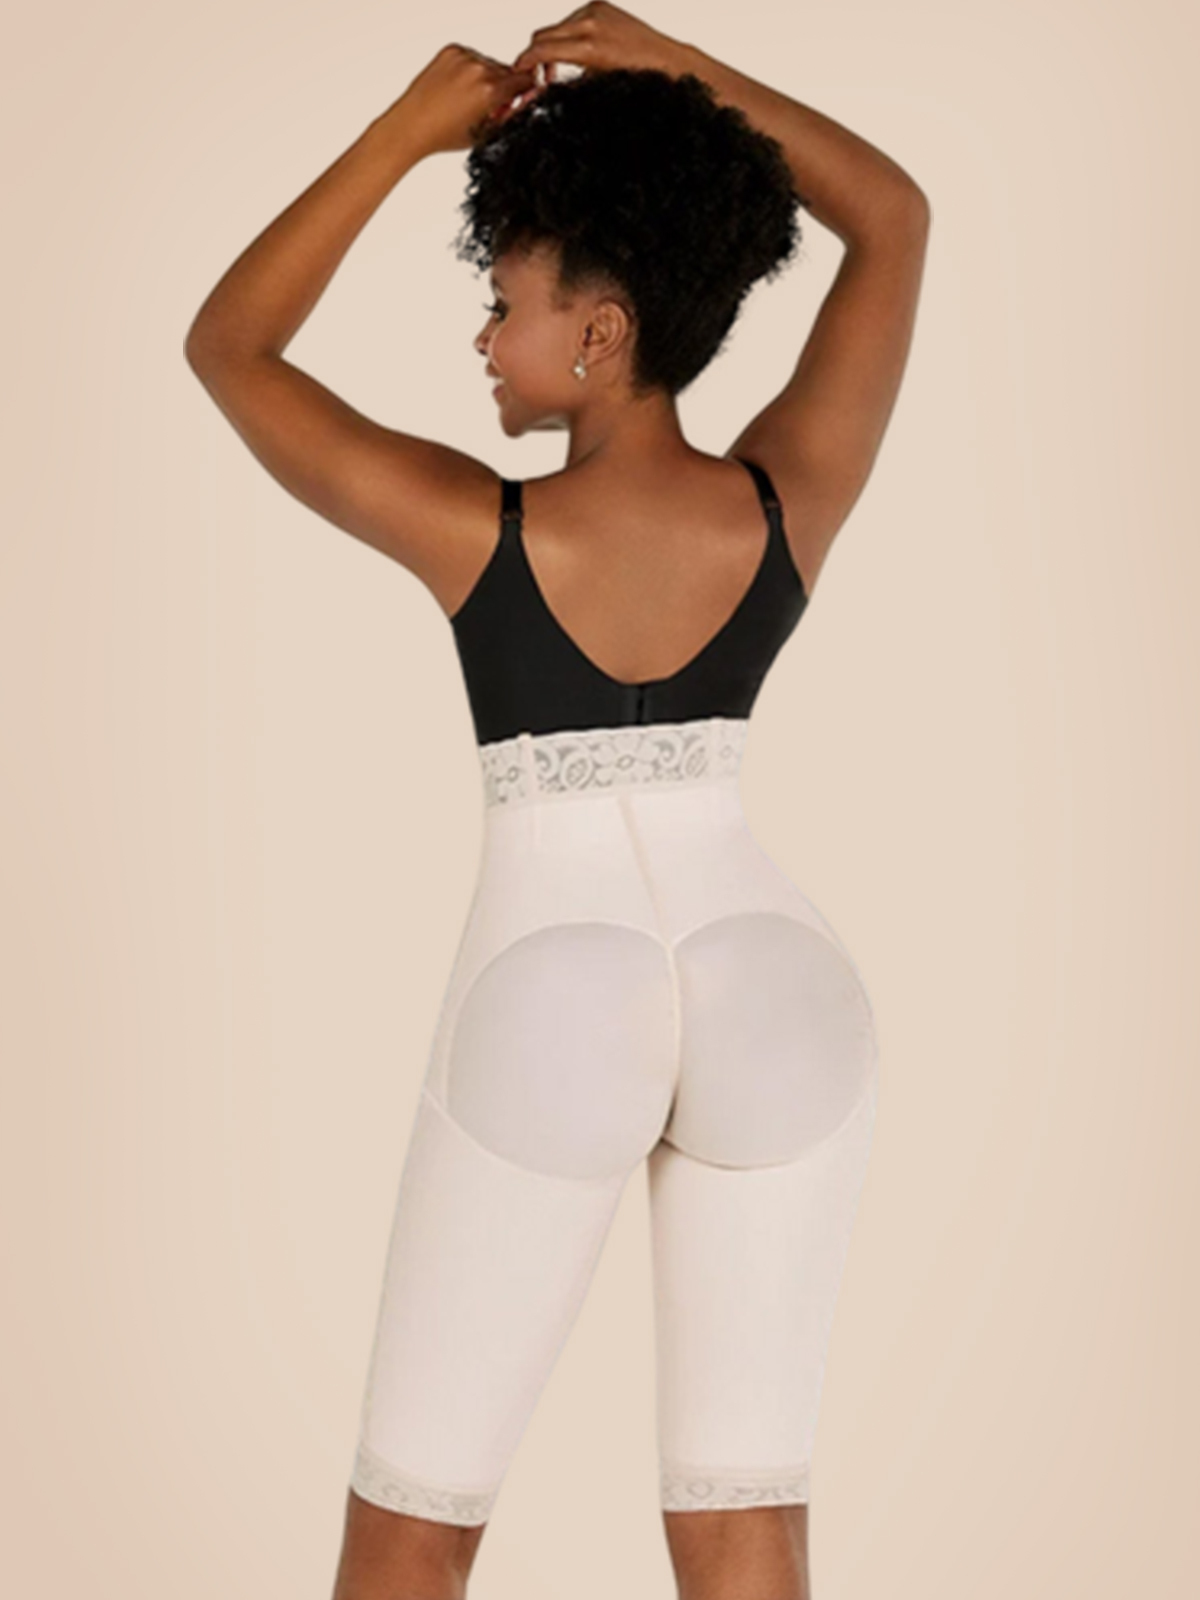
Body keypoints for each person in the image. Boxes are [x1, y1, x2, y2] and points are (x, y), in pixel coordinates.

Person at [184, 5, 930, 1597]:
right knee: (744, 1524)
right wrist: (683, 75)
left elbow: (229, 347)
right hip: (780, 985)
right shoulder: (789, 496)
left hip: (551, 986)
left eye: (502, 300)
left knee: (411, 1534)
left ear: (600, 331)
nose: (483, 335)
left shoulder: (480, 531)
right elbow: (893, 214)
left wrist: (406, 132)